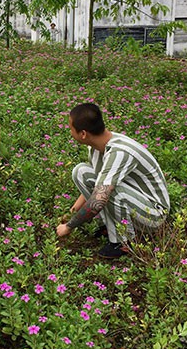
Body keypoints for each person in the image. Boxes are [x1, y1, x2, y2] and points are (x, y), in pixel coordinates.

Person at [56, 103, 170, 258]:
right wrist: (72, 211)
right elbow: (98, 182)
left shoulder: (119, 152)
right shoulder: (96, 147)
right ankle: (110, 226)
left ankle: (123, 243)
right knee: (81, 171)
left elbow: (100, 196)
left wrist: (69, 226)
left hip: (154, 213)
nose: (69, 132)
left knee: (110, 191)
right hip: (135, 200)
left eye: (70, 128)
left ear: (83, 133)